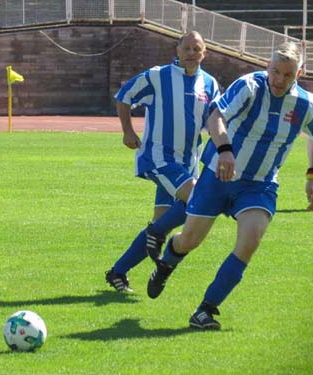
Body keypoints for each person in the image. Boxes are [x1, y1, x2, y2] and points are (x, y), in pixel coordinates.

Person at [147, 41, 313, 330]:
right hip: (217, 176)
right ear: (267, 67)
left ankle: (205, 311)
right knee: (189, 241)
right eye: (275, 72)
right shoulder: (249, 85)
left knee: (250, 241)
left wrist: (312, 175)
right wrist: (225, 149)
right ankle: (167, 262)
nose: (279, 80)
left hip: (259, 185)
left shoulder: (306, 104)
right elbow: (216, 116)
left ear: (299, 74)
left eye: (288, 75)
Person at [105, 31, 220, 292]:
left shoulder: (210, 84)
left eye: (197, 48)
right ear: (177, 50)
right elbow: (124, 96)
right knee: (197, 199)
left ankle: (117, 272)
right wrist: (128, 131)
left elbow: (213, 122)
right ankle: (157, 243)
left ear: (205, 53)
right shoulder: (158, 76)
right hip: (159, 158)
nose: (191, 53)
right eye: (187, 48)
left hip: (188, 163)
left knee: (162, 224)